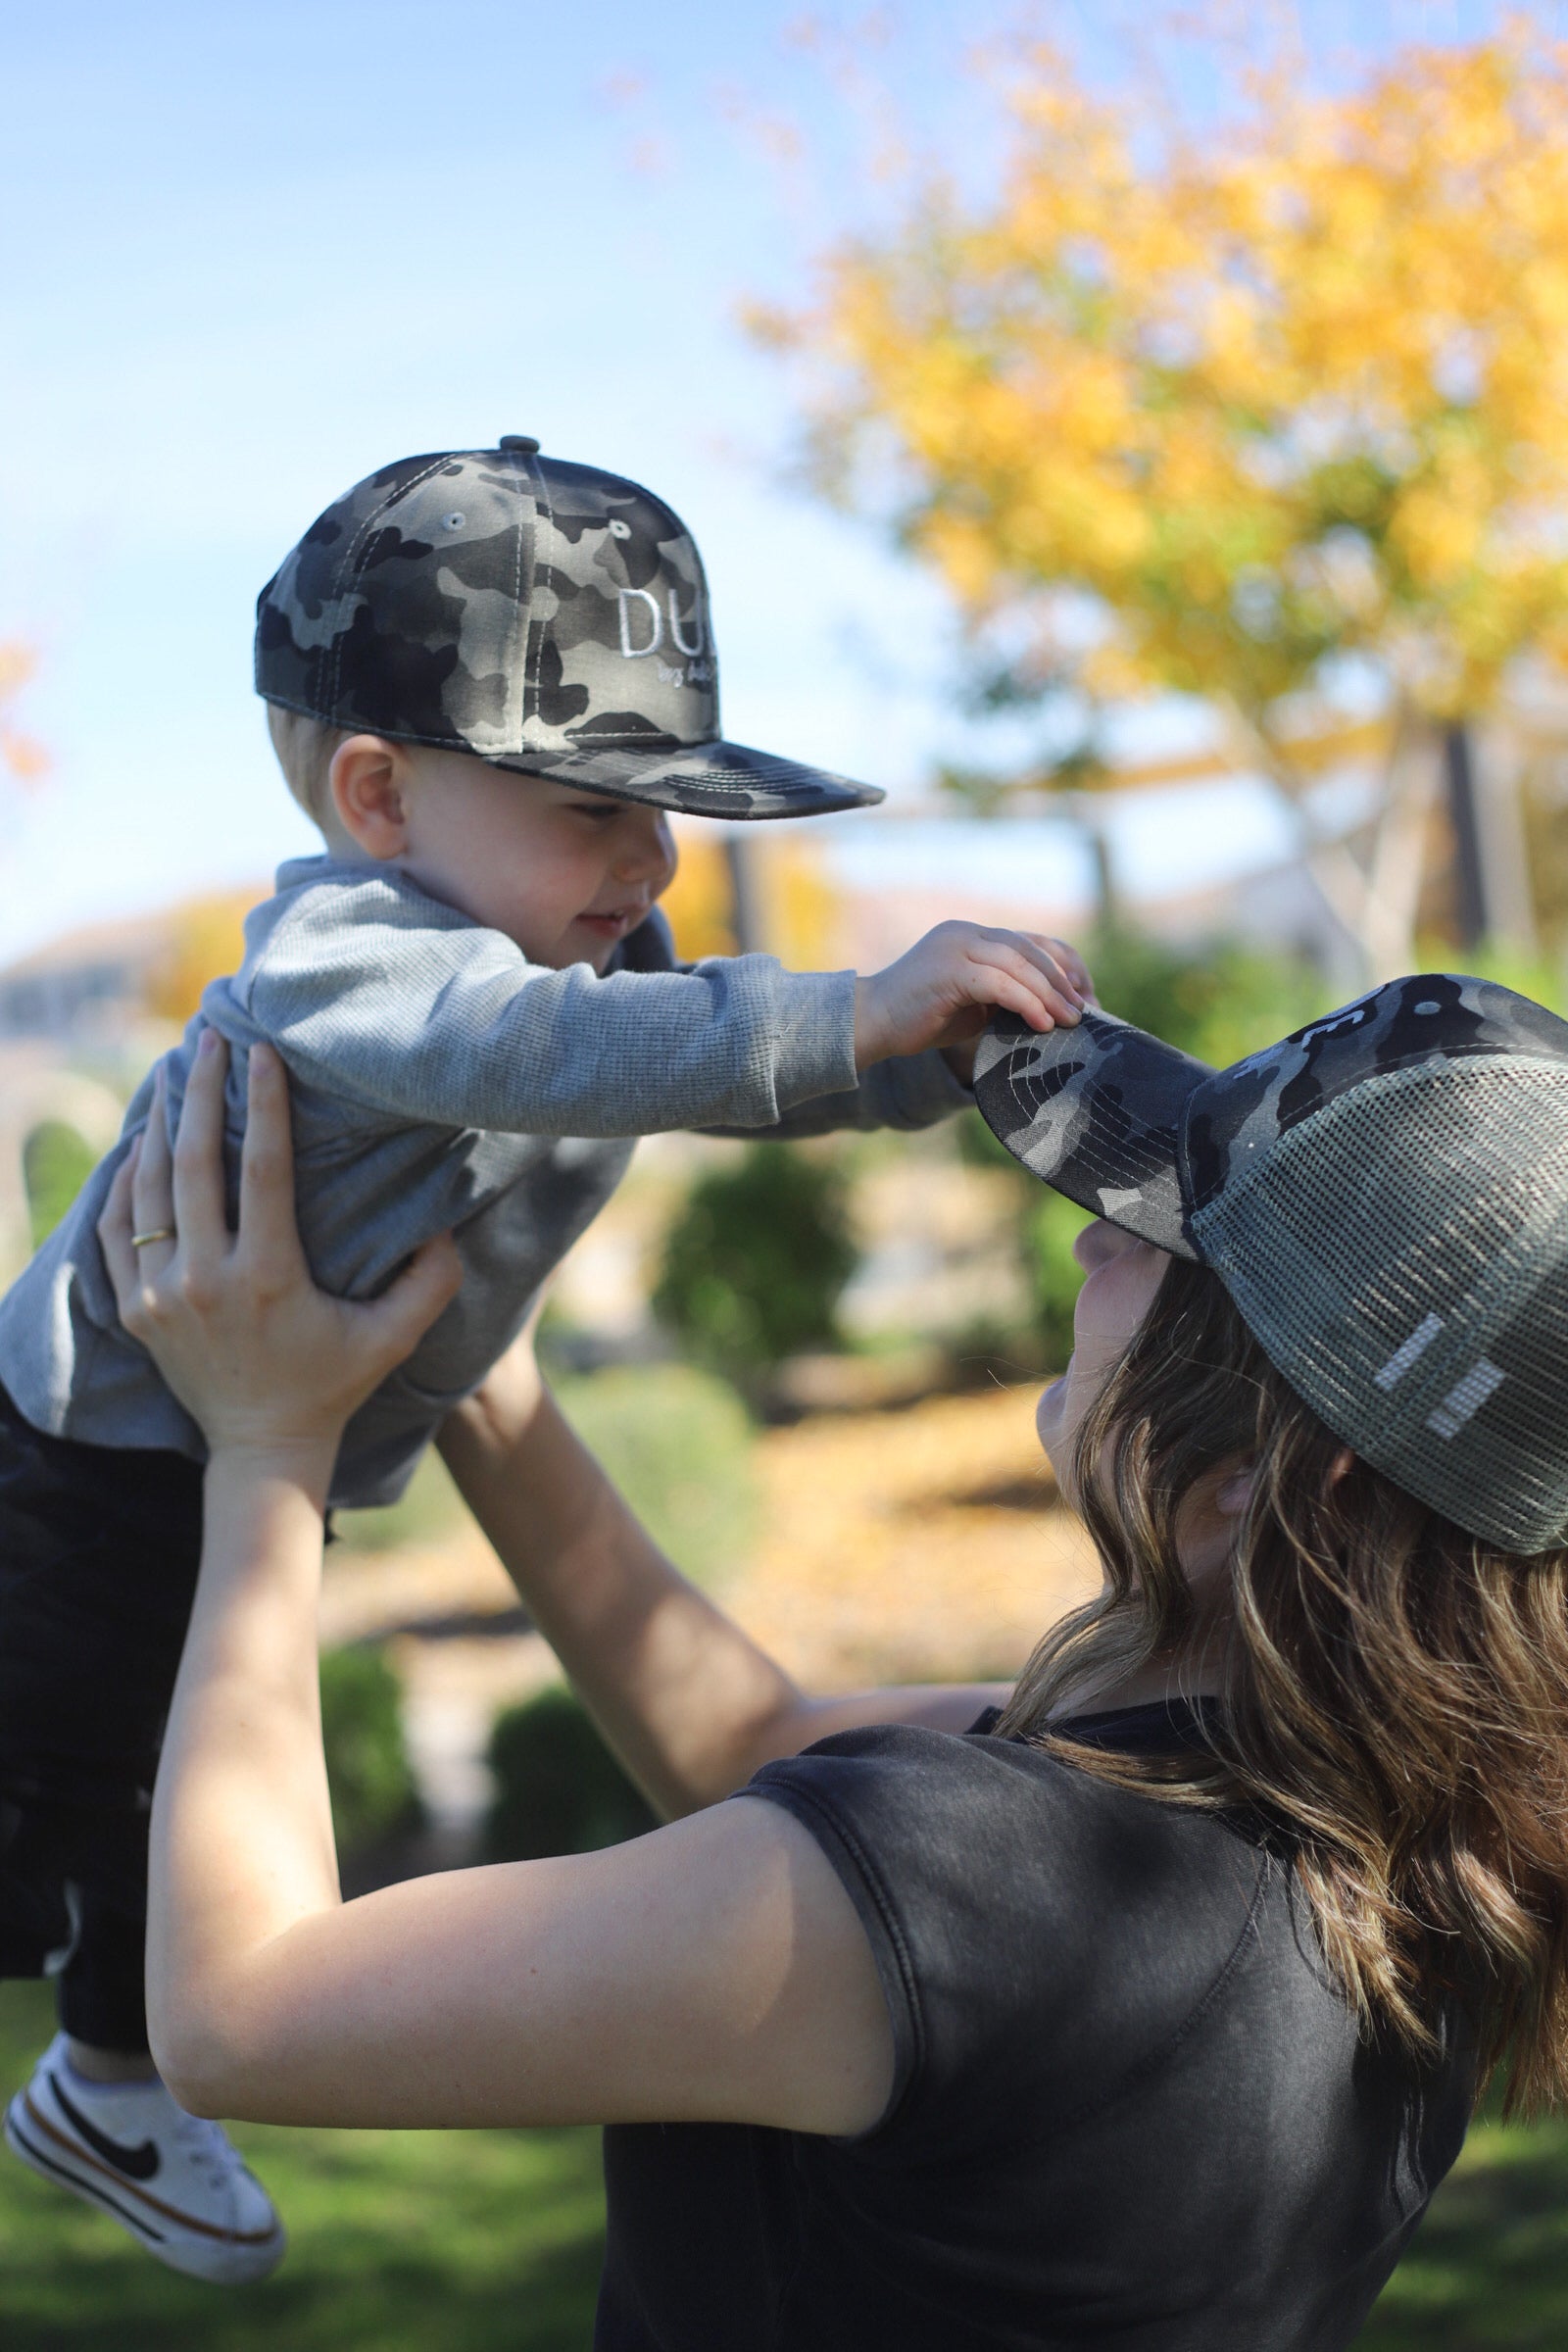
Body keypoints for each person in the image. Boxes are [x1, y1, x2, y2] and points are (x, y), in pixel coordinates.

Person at [54, 968, 1568, 2348]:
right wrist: (480, 1381)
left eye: (1169, 1235)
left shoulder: (981, 1887)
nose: (1098, 1234)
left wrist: (265, 1448)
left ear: (1278, 1477)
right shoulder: (1386, 1837)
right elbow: (748, 1737)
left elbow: (244, 2015)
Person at [0, 434, 1090, 2279]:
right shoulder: (354, 971)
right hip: (88, 1470)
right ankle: (109, 2066)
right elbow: (568, 1059)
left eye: (665, 809)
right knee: (71, 1779)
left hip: (247, 1439)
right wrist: (847, 1011)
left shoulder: (562, 961)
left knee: (132, 1790)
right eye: (595, 805)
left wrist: (948, 1060)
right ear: (377, 797)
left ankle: (102, 2081)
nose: (654, 855)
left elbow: (679, 1060)